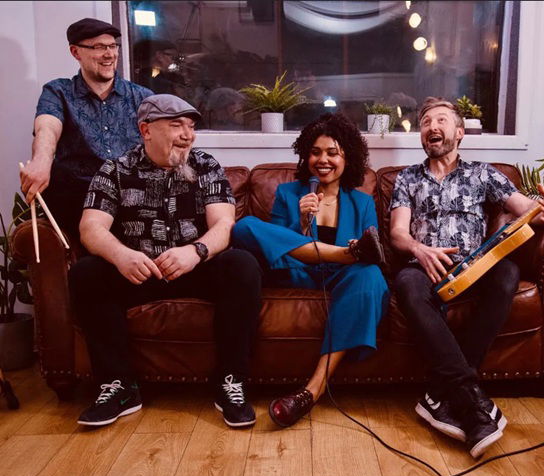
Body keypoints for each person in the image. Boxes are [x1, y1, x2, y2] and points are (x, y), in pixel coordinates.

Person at [68, 94, 262, 429]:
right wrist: (122, 255)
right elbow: (90, 228)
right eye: (176, 125)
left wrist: (196, 252)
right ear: (146, 130)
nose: (188, 135)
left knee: (242, 265)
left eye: (191, 126)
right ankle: (119, 386)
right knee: (86, 272)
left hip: (194, 269)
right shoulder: (115, 170)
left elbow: (224, 225)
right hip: (138, 273)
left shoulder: (206, 166)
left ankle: (231, 381)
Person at [389, 97, 544, 458]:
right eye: (425, 122)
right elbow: (398, 234)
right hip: (424, 266)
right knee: (406, 284)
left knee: (508, 271)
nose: (432, 127)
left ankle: (442, 393)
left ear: (459, 132)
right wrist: (420, 249)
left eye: (441, 120)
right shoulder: (406, 178)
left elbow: (528, 210)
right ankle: (469, 399)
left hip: (475, 266)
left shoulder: (483, 173)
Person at [232, 113, 389, 428]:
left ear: (347, 158)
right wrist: (302, 224)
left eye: (332, 153)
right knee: (245, 226)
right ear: (306, 156)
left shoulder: (362, 202)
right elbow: (278, 246)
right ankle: (343, 254)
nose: (323, 160)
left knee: (370, 274)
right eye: (316, 152)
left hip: (341, 277)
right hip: (297, 271)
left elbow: (372, 251)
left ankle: (311, 391)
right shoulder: (288, 193)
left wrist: (357, 249)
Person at [20, 18, 154, 238]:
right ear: (76, 52)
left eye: (113, 46)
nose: (110, 54)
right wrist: (41, 160)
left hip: (131, 200)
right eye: (99, 47)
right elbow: (47, 128)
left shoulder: (142, 97)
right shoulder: (58, 91)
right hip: (78, 197)